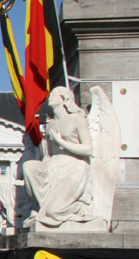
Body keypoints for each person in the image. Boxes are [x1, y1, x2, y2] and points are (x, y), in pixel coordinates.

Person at [22, 87, 96, 230]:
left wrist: (61, 141)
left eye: (55, 94)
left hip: (74, 167)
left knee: (53, 211)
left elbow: (88, 149)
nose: (50, 96)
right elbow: (48, 154)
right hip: (54, 165)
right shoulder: (51, 124)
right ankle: (39, 206)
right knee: (29, 167)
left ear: (65, 99)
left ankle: (80, 208)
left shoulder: (77, 118)